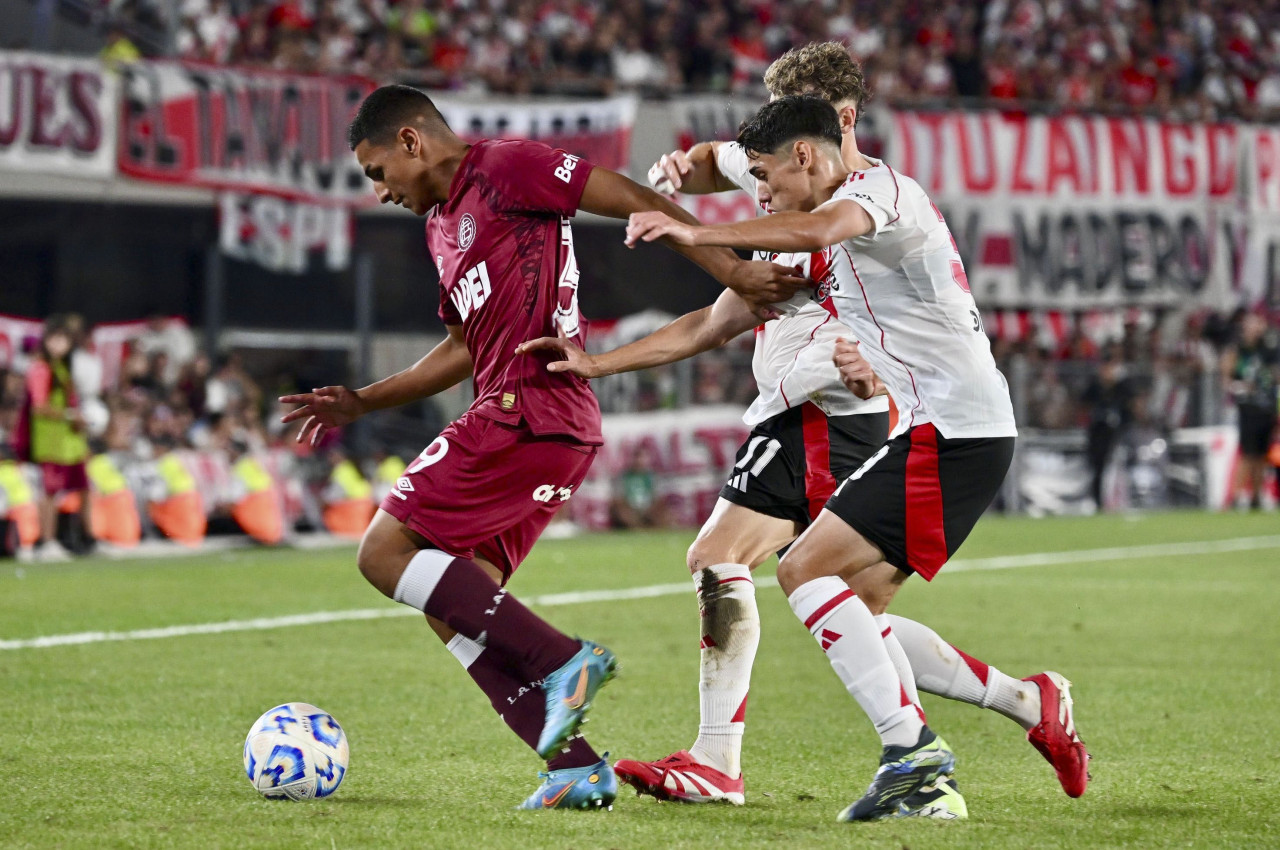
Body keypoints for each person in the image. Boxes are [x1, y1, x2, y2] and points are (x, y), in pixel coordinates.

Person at [521, 42, 1087, 817]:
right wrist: (596, 363)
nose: (757, 190)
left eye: (766, 175)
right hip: (934, 430)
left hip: (949, 430)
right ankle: (1028, 702)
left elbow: (823, 225)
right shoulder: (798, 201)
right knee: (852, 604)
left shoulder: (878, 194)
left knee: (792, 572)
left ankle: (906, 761)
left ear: (816, 141)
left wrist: (693, 232)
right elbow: (708, 319)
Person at [279, 84, 807, 811]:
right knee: (455, 604)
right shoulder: (442, 225)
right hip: (541, 422)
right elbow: (462, 346)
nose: (379, 192)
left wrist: (733, 267)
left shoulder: (502, 167)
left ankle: (563, 660)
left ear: (410, 141)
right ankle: (574, 767)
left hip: (527, 406)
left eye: (376, 172)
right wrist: (365, 399)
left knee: (382, 554)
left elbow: (621, 193)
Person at [14, 317, 92, 561]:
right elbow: (39, 407)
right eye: (54, 339)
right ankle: (47, 542)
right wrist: (70, 415)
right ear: (46, 341)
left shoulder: (62, 368)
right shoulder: (40, 368)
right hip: (51, 442)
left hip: (70, 442)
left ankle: (88, 539)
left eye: (64, 340)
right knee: (49, 493)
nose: (59, 345)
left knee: (84, 488)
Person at [1222, 313, 1278, 509]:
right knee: (1247, 452)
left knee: (1262, 453)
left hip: (1266, 407)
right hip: (1247, 407)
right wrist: (1241, 387)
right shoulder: (1237, 349)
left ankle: (1256, 496)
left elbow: (1274, 375)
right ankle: (1235, 497)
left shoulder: (1269, 348)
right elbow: (1226, 379)